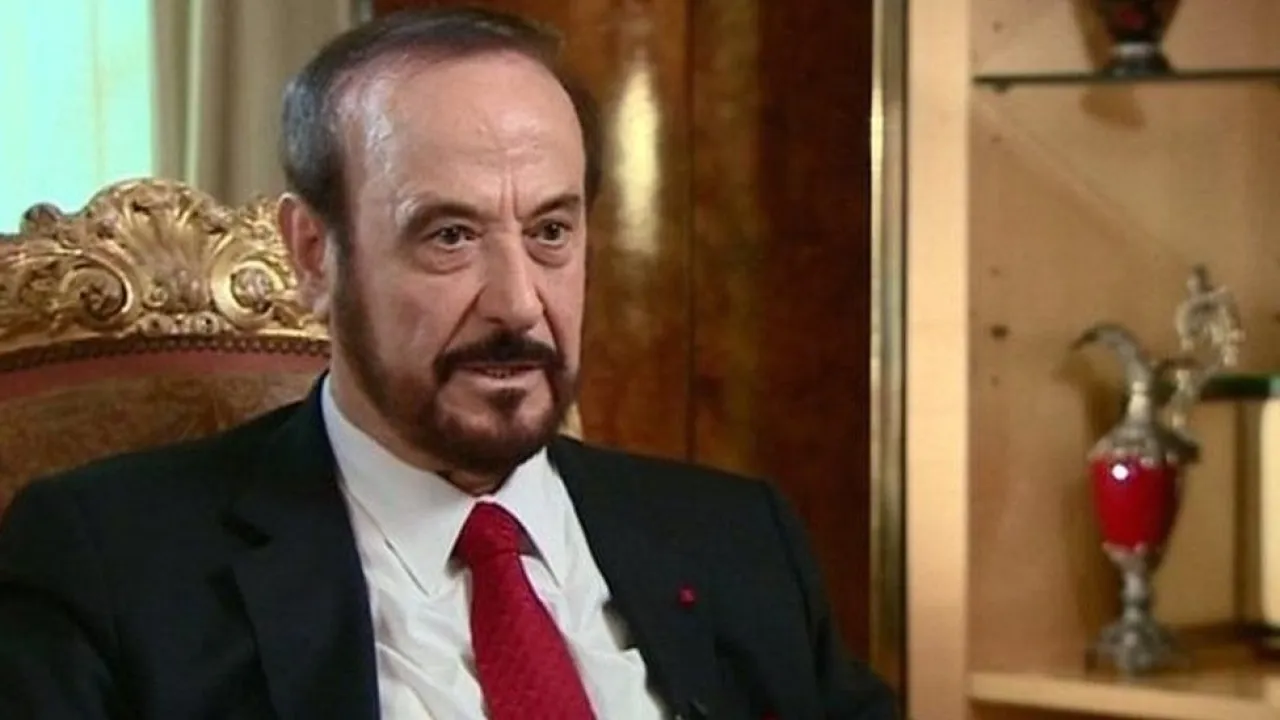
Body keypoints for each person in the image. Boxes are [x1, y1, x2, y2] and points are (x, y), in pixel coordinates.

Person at [0, 7, 897, 719]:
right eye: (450, 236)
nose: (518, 304)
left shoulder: (740, 541)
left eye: (551, 231)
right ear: (314, 255)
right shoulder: (115, 565)